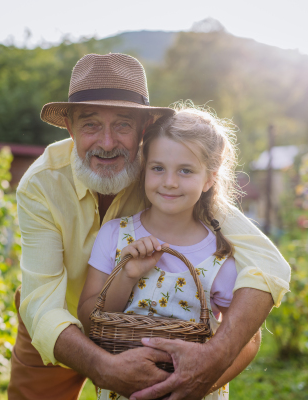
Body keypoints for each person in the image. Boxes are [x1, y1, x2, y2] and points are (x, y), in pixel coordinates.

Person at [9, 53, 290, 400]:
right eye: (91, 124)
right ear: (70, 128)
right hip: (56, 323)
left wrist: (207, 367)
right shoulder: (41, 185)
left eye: (123, 125)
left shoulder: (165, 171)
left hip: (143, 334)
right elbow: (42, 306)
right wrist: (103, 368)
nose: (108, 143)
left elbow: (267, 263)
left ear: (143, 131)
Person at [78, 106, 262, 400]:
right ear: (144, 168)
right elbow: (89, 319)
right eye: (158, 168)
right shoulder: (114, 235)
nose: (170, 182)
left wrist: (202, 385)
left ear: (209, 179)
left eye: (186, 171)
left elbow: (247, 337)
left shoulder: (221, 255)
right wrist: (127, 275)